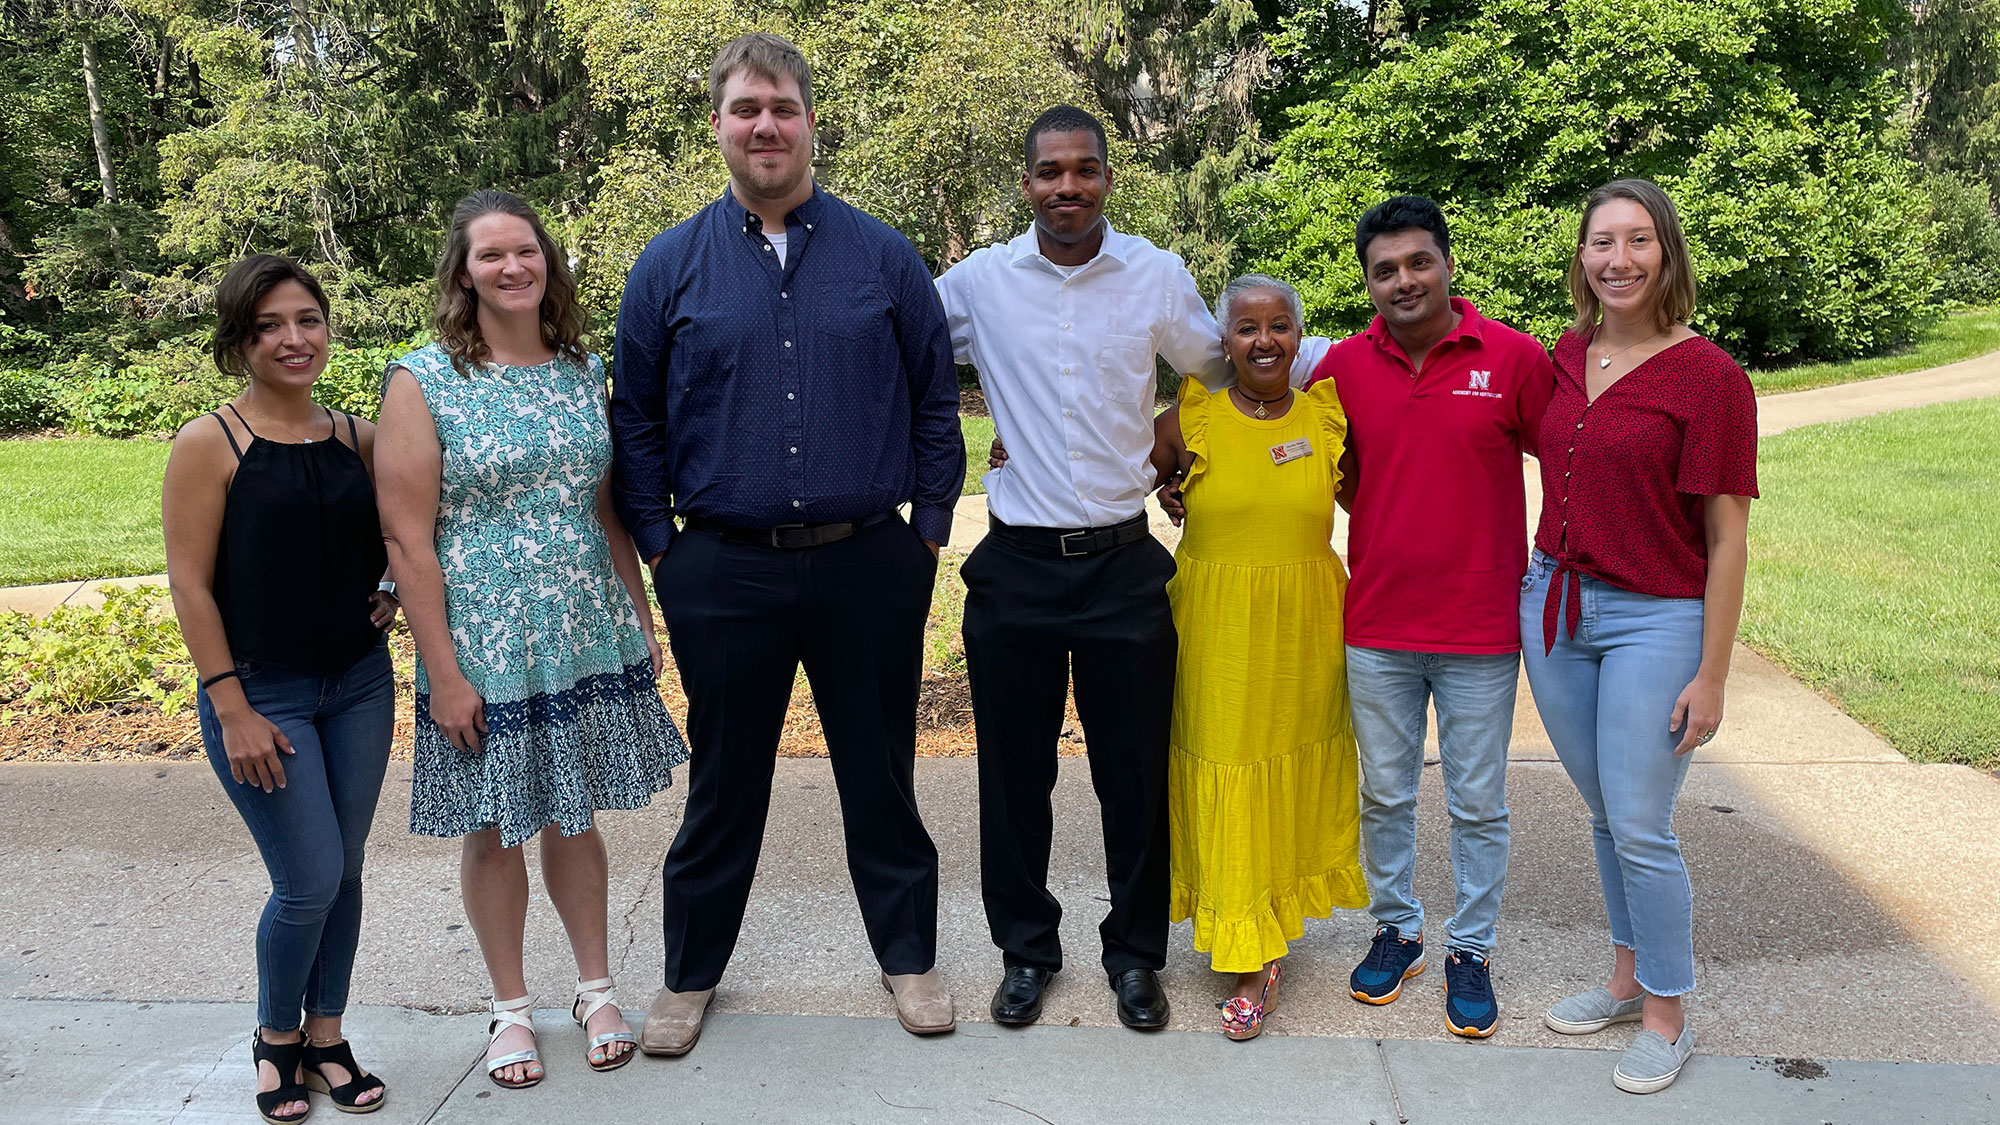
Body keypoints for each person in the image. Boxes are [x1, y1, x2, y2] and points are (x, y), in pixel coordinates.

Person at [609, 32, 965, 1055]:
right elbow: (632, 417)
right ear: (717, 125)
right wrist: (660, 548)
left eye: (782, 107)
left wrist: (926, 535)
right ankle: (687, 977)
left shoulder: (883, 255)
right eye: (744, 108)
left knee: (880, 773)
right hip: (721, 566)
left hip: (867, 561)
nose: (764, 125)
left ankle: (908, 959)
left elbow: (933, 399)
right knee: (723, 781)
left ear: (811, 121)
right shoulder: (669, 266)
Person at [936, 105, 1324, 1031]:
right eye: (1049, 172)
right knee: (1013, 779)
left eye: (1085, 169)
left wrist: (1177, 448)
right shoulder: (980, 283)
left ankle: (1135, 955)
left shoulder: (1153, 274)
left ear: (1108, 176)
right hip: (1017, 565)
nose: (1067, 186)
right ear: (1025, 183)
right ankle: (1026, 951)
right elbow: (887, 345)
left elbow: (1224, 366)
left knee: (1135, 776)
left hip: (1124, 567)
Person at [376, 190, 688, 1089]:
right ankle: (510, 1007)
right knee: (492, 828)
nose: (513, 268)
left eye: (527, 252)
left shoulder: (578, 370)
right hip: (481, 637)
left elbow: (604, 504)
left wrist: (639, 611)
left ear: (547, 263)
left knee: (574, 814)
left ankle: (596, 988)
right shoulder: (423, 378)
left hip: (582, 626)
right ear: (462, 273)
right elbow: (408, 536)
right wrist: (441, 670)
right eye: (491, 256)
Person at [1302, 196, 1556, 1039]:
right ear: (1368, 283)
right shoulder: (1340, 367)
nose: (1403, 280)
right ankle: (1399, 929)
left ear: (1448, 263)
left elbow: (1575, 454)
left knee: (1479, 800)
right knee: (1384, 792)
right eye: (1385, 270)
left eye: (1418, 262)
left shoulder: (1514, 358)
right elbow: (1258, 412)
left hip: (1481, 627)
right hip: (1375, 621)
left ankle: (1471, 947)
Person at [1523, 178, 1756, 1094]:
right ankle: (1624, 979)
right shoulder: (1563, 358)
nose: (1618, 259)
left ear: (1667, 253)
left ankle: (1667, 1011)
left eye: (1638, 241)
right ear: (1581, 257)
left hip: (1656, 615)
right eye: (1601, 243)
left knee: (1642, 823)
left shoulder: (1710, 378)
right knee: (1604, 812)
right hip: (1553, 607)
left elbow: (1728, 535)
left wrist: (1714, 673)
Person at [163, 254, 398, 1122]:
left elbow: (418, 528)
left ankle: (327, 1034)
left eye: (307, 319)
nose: (294, 339)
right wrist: (232, 707)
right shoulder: (210, 444)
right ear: (239, 341)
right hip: (264, 695)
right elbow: (189, 583)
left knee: (347, 871)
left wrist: (396, 592)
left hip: (361, 686)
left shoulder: (357, 437)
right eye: (269, 325)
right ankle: (276, 1038)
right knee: (309, 877)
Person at [1149, 275, 1367, 1040]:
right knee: (1226, 764)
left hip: (1305, 630)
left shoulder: (1328, 416)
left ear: (1299, 336)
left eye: (1280, 325)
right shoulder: (1190, 420)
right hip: (1214, 626)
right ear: (1224, 340)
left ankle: (1263, 930)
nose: (1264, 340)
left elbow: (1382, 505)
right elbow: (1105, 477)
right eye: (1246, 328)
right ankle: (1244, 935)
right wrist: (1014, 438)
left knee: (1283, 762)